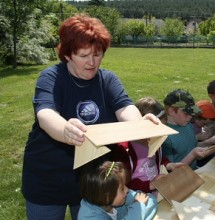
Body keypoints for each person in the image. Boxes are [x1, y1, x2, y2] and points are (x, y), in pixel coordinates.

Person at [21, 15, 158, 220]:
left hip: (93, 184)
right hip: (47, 181)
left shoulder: (107, 80)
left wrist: (140, 125)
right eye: (84, 55)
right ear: (67, 55)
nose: (92, 62)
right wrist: (65, 129)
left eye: (97, 54)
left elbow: (125, 107)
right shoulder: (52, 78)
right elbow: (45, 114)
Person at [110, 97, 183, 196]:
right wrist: (149, 185)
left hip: (155, 191)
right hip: (134, 198)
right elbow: (124, 182)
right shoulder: (124, 150)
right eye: (154, 131)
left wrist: (169, 165)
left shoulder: (154, 140)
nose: (158, 135)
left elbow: (159, 159)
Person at [161, 89, 215, 169]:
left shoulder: (187, 125)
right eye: (186, 113)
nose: (190, 117)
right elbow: (171, 170)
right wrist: (193, 155)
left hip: (194, 170)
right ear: (171, 111)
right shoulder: (165, 137)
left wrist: (209, 142)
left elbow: (192, 146)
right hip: (179, 178)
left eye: (191, 113)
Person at [78, 160, 157, 220]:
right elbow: (142, 204)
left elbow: (150, 200)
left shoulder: (117, 197)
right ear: (107, 197)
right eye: (122, 188)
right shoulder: (88, 217)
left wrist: (137, 212)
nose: (127, 190)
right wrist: (138, 207)